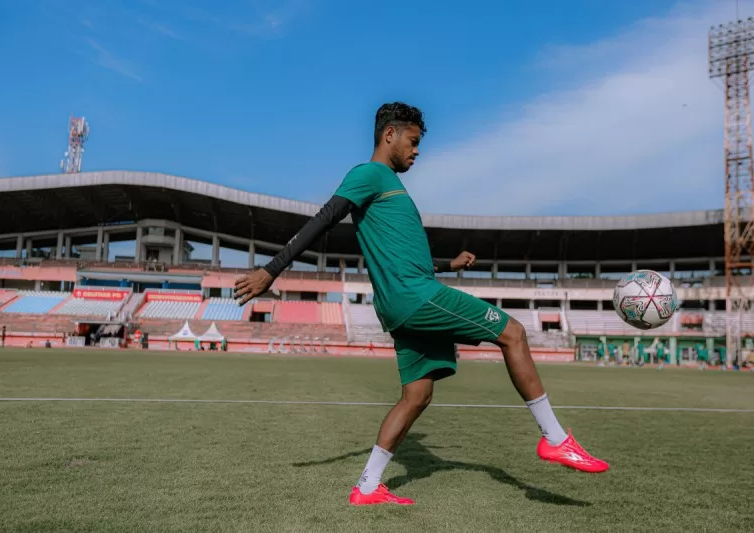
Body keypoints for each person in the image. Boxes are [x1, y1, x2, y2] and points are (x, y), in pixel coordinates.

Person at [234, 102, 609, 506]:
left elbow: (405, 256)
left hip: (405, 300)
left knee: (417, 396)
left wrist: (450, 265)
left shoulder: (387, 187)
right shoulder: (369, 174)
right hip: (415, 297)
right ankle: (555, 439)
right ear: (389, 135)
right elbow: (324, 219)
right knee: (513, 333)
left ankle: (367, 487)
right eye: (413, 142)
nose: (417, 151)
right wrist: (271, 270)